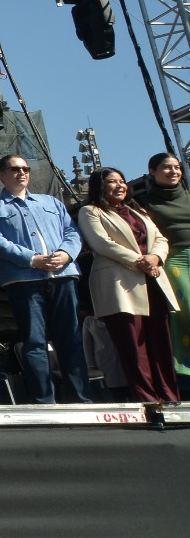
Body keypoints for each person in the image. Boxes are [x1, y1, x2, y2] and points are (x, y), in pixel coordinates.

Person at [0, 154, 90, 403]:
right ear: (2, 174)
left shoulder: (50, 201)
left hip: (63, 276)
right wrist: (32, 259)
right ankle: (44, 400)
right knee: (34, 341)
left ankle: (81, 398)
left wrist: (65, 254)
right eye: (15, 169)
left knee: (71, 339)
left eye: (26, 168)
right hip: (24, 280)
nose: (22, 173)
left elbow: (72, 231)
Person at [77, 168, 181, 403]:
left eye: (122, 181)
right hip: (120, 285)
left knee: (161, 344)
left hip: (153, 280)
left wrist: (155, 258)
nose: (120, 185)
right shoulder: (90, 211)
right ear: (99, 186)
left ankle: (170, 397)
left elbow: (161, 239)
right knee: (134, 348)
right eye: (112, 182)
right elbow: (102, 244)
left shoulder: (138, 211)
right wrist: (142, 262)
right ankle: (148, 399)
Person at [131, 153, 190, 387]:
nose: (173, 171)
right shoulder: (144, 204)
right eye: (167, 168)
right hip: (174, 262)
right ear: (152, 172)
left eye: (177, 167)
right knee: (185, 315)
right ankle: (184, 375)